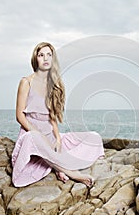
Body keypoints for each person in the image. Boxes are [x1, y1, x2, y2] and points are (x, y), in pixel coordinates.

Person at [11, 42, 105, 187]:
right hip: (32, 137)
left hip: (50, 137)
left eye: (49, 55)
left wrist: (58, 139)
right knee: (33, 137)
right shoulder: (26, 82)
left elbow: (52, 118)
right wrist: (40, 136)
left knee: (94, 137)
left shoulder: (54, 85)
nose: (45, 58)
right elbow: (20, 116)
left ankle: (57, 166)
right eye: (41, 55)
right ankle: (71, 172)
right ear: (35, 59)